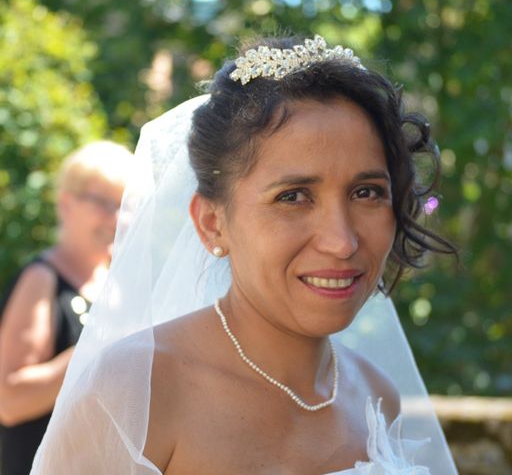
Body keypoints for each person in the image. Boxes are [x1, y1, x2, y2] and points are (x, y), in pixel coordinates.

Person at [31, 35, 459, 474]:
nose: (342, 241)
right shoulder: (132, 394)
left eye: (366, 192)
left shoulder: (376, 396)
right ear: (212, 223)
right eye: (293, 196)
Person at [0, 141, 134, 475]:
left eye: (125, 204)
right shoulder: (41, 279)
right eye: (103, 203)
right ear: (66, 204)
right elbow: (10, 402)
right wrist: (94, 348)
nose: (116, 218)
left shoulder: (120, 284)